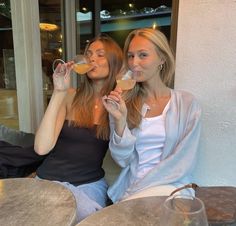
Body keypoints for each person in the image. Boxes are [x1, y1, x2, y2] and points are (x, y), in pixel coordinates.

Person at [102, 28, 202, 204]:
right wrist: (119, 120)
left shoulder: (187, 104)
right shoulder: (123, 103)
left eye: (143, 55)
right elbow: (122, 161)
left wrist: (141, 190)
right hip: (132, 188)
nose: (134, 63)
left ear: (162, 59)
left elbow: (183, 162)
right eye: (131, 56)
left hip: (172, 189)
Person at [34, 34, 123, 221]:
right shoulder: (70, 96)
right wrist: (59, 91)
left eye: (100, 54)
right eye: (89, 53)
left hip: (88, 186)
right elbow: (41, 147)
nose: (91, 58)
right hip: (49, 181)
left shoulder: (118, 105)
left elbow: (125, 153)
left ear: (114, 62)